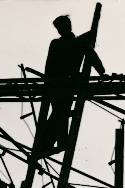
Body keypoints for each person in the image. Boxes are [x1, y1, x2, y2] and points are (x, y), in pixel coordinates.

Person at [38, 14, 106, 157]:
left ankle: (50, 144)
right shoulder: (66, 43)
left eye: (60, 27)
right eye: (58, 28)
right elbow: (49, 65)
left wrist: (102, 72)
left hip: (62, 84)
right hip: (60, 84)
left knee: (59, 113)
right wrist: (102, 72)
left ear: (67, 26)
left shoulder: (72, 43)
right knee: (60, 112)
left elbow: (92, 57)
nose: (59, 30)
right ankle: (56, 143)